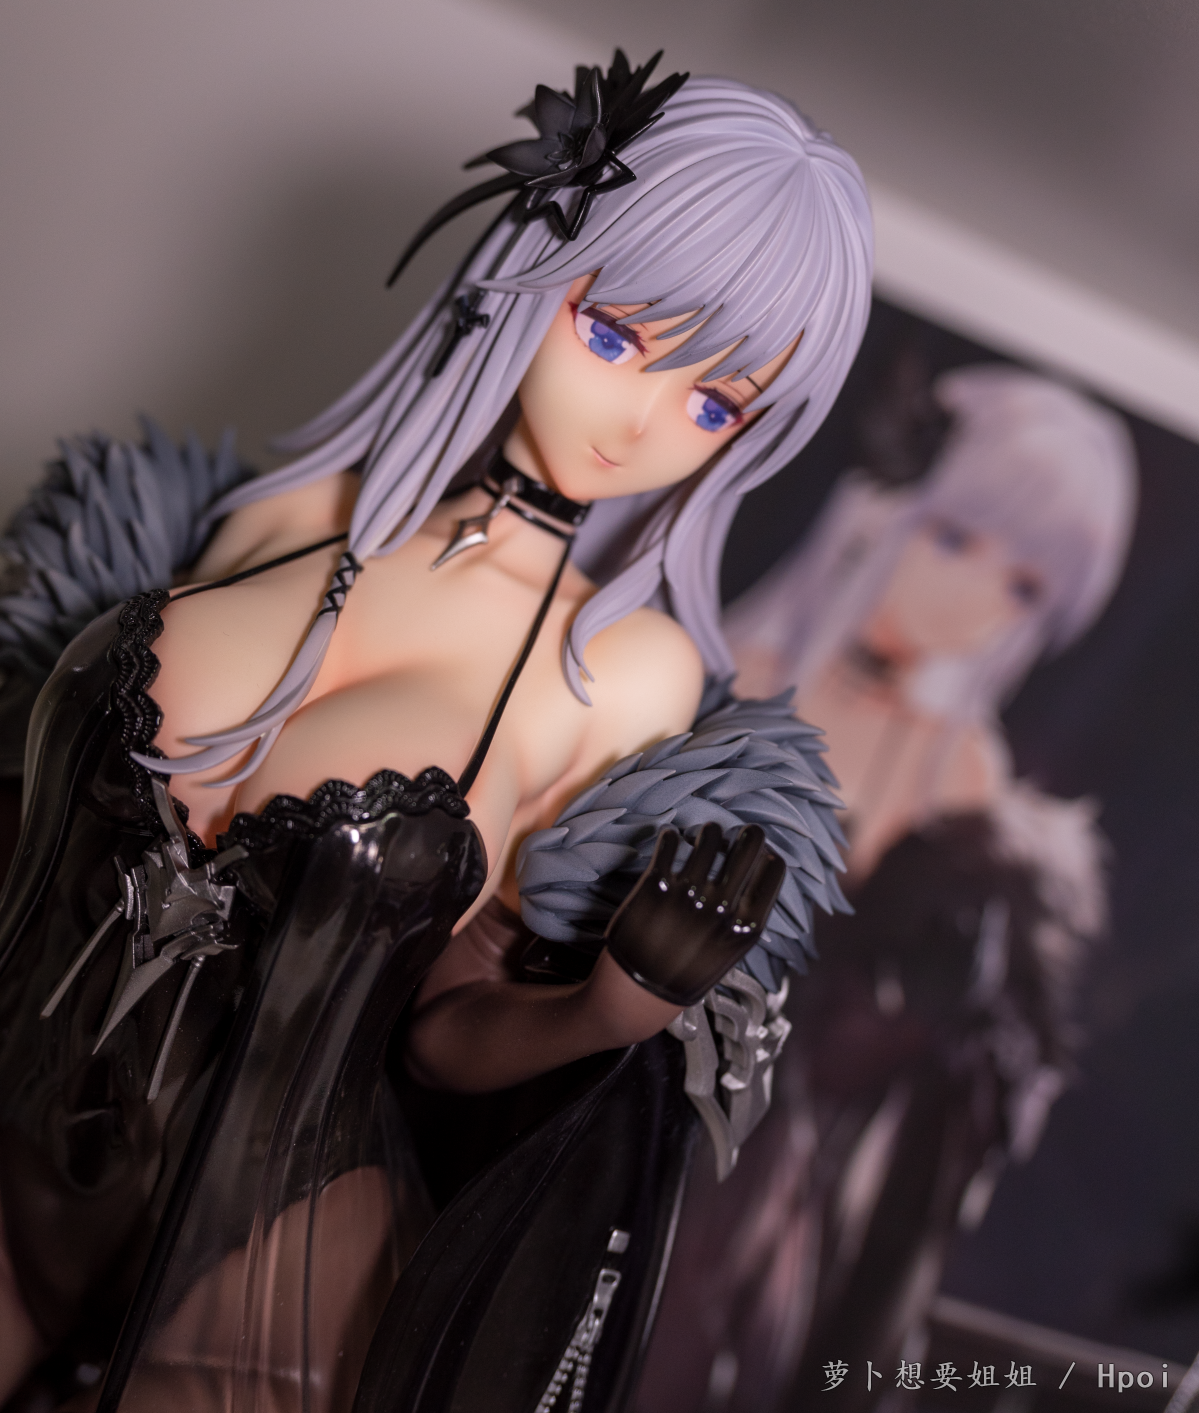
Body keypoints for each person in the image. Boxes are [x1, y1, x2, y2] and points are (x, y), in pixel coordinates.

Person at [0, 54, 872, 1413]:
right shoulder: (285, 517)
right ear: (530, 259)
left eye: (716, 405)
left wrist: (611, 1008)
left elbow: (433, 1037)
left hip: (267, 1248)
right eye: (616, 333)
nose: (642, 423)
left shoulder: (618, 675)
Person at [635, 362, 1137, 1411]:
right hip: (613, 1087)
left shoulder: (963, 776)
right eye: (953, 538)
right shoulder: (726, 674)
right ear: (883, 504)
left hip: (762, 1186)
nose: (972, 601)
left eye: (1022, 587)